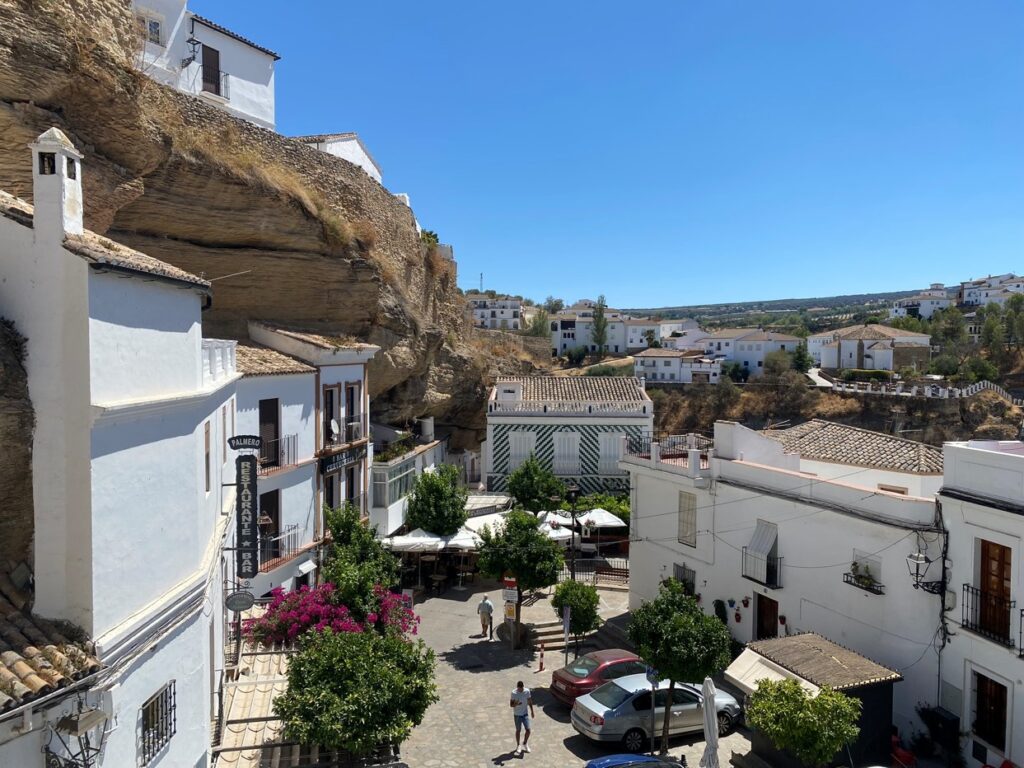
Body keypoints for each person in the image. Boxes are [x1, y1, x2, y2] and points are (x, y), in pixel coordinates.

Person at [509, 680, 535, 754]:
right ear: (517, 687)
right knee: (518, 730)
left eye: (522, 689)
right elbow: (511, 705)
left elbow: (529, 701)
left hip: (525, 714)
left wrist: (532, 711)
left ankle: (525, 743)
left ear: (523, 686)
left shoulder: (527, 691)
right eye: (519, 689)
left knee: (528, 730)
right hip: (517, 715)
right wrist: (516, 704)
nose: (521, 690)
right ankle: (518, 745)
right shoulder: (514, 693)